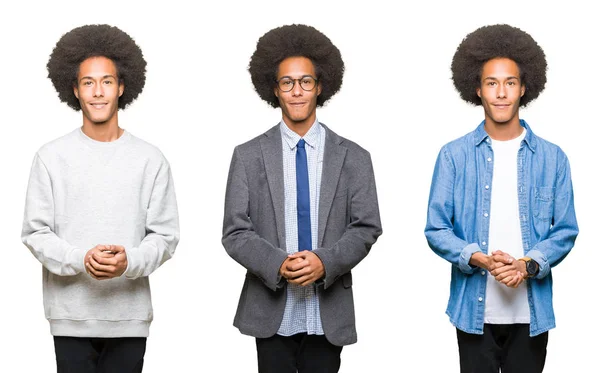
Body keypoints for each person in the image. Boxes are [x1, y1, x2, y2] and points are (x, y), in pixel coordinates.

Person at [222, 24, 382, 373]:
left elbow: (367, 226)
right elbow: (234, 231)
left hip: (328, 314)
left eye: (305, 81)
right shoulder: (248, 155)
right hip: (270, 311)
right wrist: (277, 263)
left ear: (320, 85)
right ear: (275, 89)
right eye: (287, 82)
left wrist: (326, 262)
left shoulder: (354, 157)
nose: (297, 91)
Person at [21, 24, 179, 372]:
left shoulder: (150, 159)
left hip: (129, 317)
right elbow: (35, 233)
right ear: (75, 89)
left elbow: (165, 236)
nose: (97, 92)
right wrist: (81, 258)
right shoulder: (50, 157)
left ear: (122, 87)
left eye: (106, 81)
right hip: (70, 317)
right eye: (88, 82)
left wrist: (130, 262)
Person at [425, 24, 578, 373]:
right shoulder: (453, 156)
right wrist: (479, 259)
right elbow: (436, 229)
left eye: (510, 83)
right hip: (473, 314)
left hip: (531, 315)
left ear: (524, 88)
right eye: (491, 83)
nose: (501, 93)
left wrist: (527, 265)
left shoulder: (553, 158)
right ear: (477, 89)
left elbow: (566, 230)